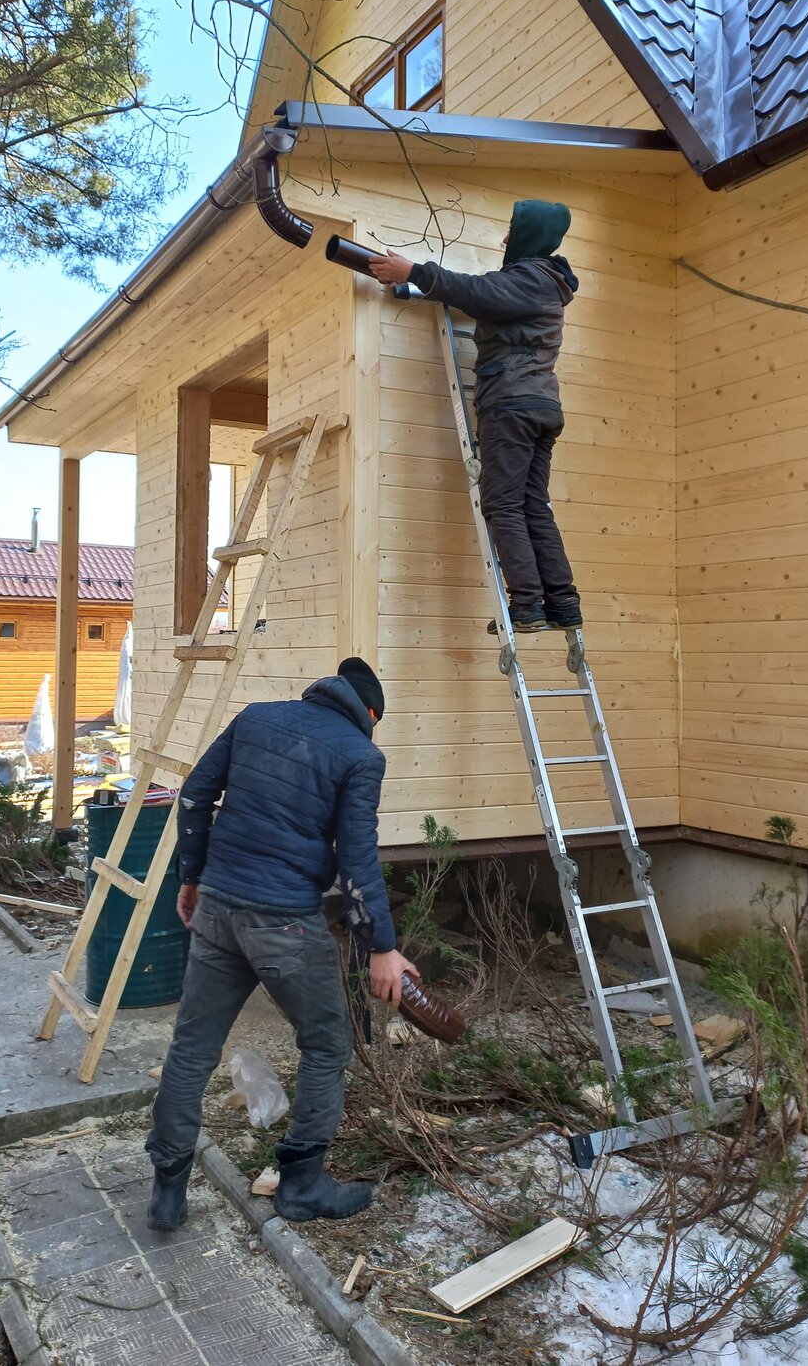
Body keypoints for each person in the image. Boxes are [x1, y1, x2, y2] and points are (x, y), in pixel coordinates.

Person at [145, 657, 419, 1230]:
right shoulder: (361, 755)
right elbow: (357, 859)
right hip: (285, 922)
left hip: (217, 907)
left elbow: (193, 796)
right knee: (326, 1044)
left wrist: (191, 876)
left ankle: (167, 1190)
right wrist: (381, 947)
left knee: (192, 1048)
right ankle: (302, 1185)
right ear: (369, 715)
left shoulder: (255, 717)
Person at [368, 200, 583, 632]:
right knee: (533, 505)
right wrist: (422, 285)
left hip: (512, 405)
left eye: (512, 230)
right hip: (540, 405)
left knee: (504, 504)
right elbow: (484, 299)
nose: (504, 239)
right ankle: (562, 604)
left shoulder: (528, 278)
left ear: (529, 235)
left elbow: (477, 292)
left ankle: (528, 605)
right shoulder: (545, 282)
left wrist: (415, 272)